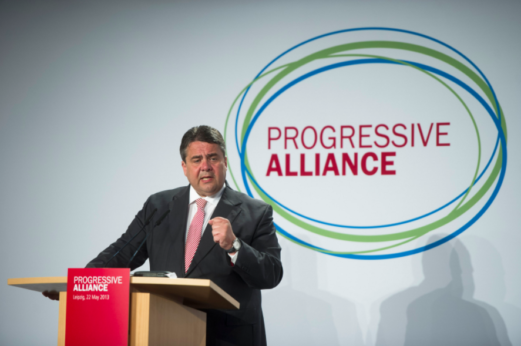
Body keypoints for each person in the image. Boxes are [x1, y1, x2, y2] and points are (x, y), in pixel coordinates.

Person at [70, 125, 283, 346]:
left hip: (228, 338)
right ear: (184, 166)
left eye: (213, 158)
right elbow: (123, 252)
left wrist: (235, 246)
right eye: (196, 159)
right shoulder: (158, 206)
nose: (205, 167)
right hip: (165, 331)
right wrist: (79, 286)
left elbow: (272, 274)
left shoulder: (256, 212)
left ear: (225, 163)